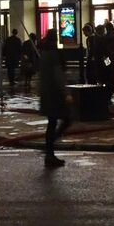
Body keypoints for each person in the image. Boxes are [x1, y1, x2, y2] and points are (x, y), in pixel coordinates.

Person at [37, 29, 70, 167]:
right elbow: (58, 75)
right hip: (55, 94)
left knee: (52, 122)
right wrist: (66, 92)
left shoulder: (43, 54)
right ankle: (50, 149)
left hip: (46, 93)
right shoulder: (54, 54)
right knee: (66, 119)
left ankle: (49, 151)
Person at [96, 21, 114, 101]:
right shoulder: (110, 38)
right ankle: (108, 93)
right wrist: (108, 63)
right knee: (109, 76)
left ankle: (104, 94)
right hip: (107, 59)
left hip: (103, 60)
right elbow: (106, 52)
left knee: (104, 77)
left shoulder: (101, 39)